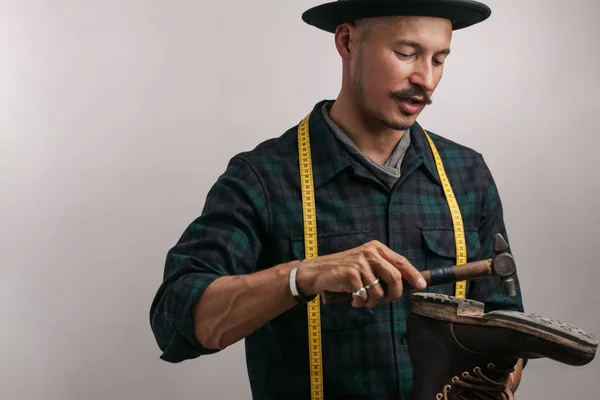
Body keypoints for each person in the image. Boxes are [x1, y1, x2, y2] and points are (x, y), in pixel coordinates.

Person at [149, 0, 526, 398]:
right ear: (347, 41)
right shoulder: (263, 177)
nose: (426, 79)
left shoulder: (467, 173)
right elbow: (176, 323)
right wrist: (300, 277)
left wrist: (501, 375)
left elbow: (505, 319)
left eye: (439, 59)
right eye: (406, 53)